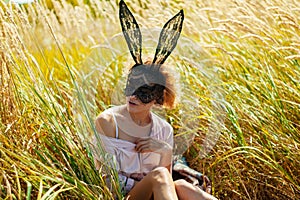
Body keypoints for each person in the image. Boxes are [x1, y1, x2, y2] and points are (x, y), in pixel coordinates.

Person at [91, 1, 218, 199]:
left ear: (157, 98)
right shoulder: (108, 122)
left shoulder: (163, 130)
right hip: (123, 196)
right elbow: (107, 181)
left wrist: (165, 151)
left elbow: (165, 184)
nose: (132, 96)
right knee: (160, 175)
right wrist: (145, 180)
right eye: (130, 86)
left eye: (143, 92)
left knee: (183, 186)